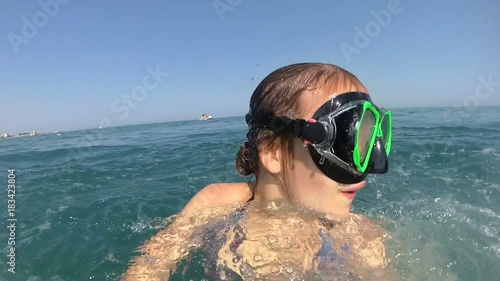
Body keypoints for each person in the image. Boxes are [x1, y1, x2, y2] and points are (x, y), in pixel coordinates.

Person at [122, 62, 394, 280]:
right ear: (273, 153)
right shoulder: (217, 202)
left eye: (369, 143)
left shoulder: (362, 238)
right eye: (347, 142)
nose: (368, 166)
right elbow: (151, 266)